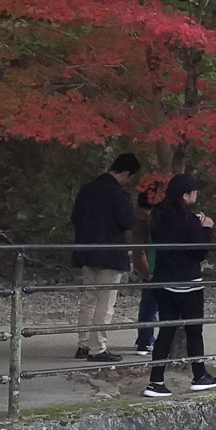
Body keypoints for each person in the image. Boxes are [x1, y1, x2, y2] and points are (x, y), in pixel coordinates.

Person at [143, 174, 216, 397]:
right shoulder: (189, 220)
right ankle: (199, 375)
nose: (197, 195)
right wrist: (206, 228)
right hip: (188, 282)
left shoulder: (158, 215)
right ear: (185, 195)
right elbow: (200, 251)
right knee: (194, 329)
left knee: (166, 330)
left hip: (164, 279)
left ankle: (155, 380)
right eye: (194, 192)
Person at [70, 153, 140, 361]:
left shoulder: (87, 189)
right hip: (110, 253)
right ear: (126, 173)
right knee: (105, 302)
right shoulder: (118, 194)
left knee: (88, 299)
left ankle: (83, 344)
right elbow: (127, 221)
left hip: (86, 250)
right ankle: (98, 347)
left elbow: (75, 217)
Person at [131, 190, 157, 355]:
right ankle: (145, 341)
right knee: (150, 305)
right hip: (150, 267)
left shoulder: (140, 218)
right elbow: (139, 250)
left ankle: (144, 338)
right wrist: (146, 270)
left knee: (149, 304)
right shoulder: (145, 221)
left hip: (147, 265)